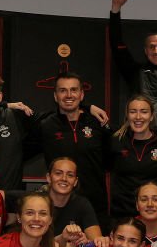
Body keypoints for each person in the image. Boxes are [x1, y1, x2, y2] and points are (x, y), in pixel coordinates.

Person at [32, 72, 112, 219]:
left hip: (95, 208)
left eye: (73, 90)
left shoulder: (97, 123)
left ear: (81, 95)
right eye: (63, 91)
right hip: (58, 209)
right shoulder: (46, 126)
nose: (69, 95)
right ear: (55, 96)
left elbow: (116, 158)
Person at [108, 95, 157, 219]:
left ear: (151, 116)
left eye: (144, 112)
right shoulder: (116, 140)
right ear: (127, 116)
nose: (138, 117)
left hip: (153, 214)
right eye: (133, 112)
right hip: (122, 214)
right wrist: (90, 108)